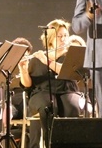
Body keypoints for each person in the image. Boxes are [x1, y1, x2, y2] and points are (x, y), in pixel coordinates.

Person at [19, 19, 82, 148]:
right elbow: (27, 85)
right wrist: (23, 70)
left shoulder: (70, 55)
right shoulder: (37, 58)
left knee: (72, 108)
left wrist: (47, 61)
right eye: (60, 36)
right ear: (51, 38)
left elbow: (68, 72)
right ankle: (50, 144)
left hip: (67, 90)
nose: (64, 39)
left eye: (65, 35)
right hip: (42, 93)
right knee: (48, 108)